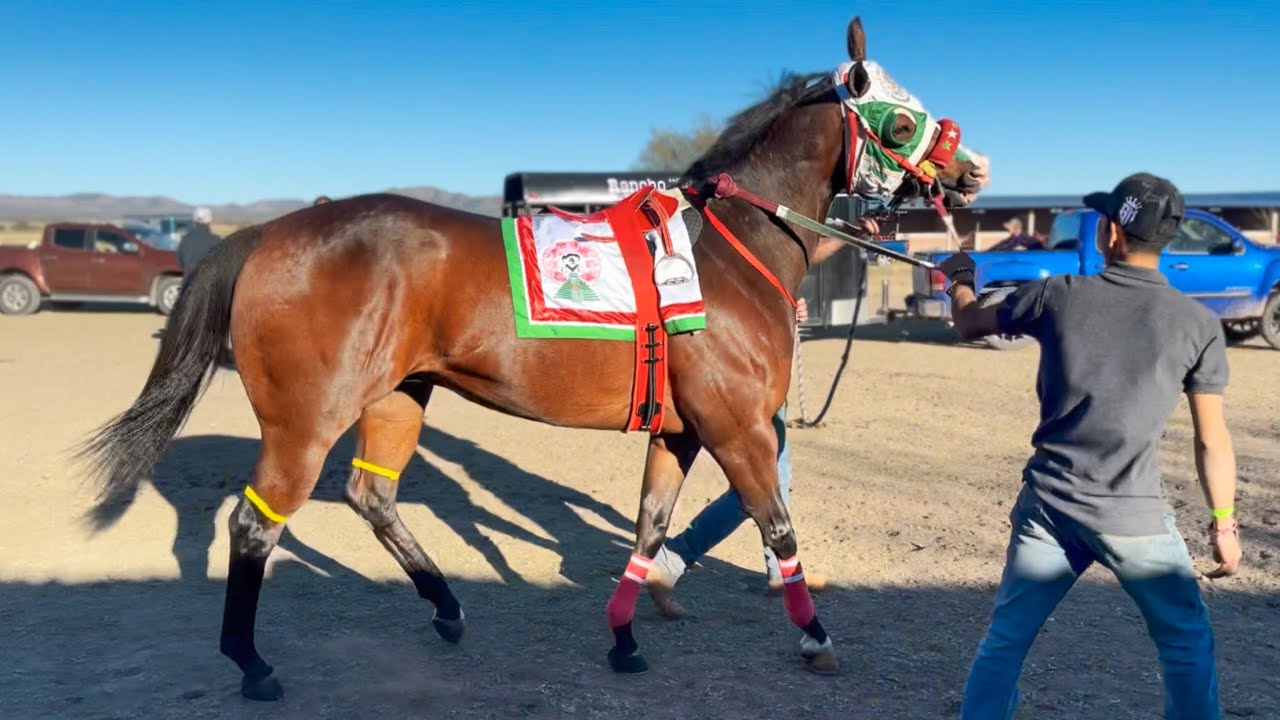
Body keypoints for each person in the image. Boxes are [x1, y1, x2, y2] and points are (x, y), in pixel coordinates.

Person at [938, 172, 1241, 720]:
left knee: (1007, 640)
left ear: (1109, 233)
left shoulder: (1056, 295)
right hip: (1135, 516)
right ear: (1166, 239)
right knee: (1185, 642)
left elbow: (968, 321)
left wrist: (960, 276)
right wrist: (1224, 524)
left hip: (1049, 510)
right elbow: (1211, 439)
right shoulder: (1199, 326)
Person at [646, 223, 872, 618]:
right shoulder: (737, 214)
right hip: (743, 362)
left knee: (776, 471)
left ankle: (776, 570)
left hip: (757, 352)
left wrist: (787, 303)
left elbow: (795, 251)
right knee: (758, 483)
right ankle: (673, 558)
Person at [177, 206, 223, 292]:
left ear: (194, 221)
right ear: (210, 221)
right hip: (209, 290)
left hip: (187, 288)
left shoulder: (185, 239)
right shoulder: (216, 240)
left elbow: (179, 262)